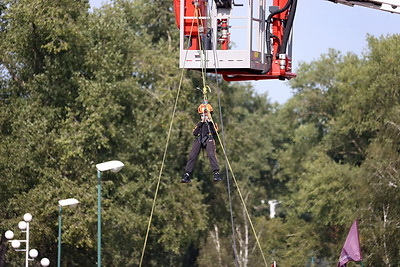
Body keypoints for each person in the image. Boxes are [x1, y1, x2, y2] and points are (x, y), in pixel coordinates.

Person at [181, 100, 222, 183]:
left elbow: (215, 132)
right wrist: (201, 122)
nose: (204, 116)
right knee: (193, 155)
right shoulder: (199, 124)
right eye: (202, 115)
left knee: (211, 154)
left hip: (209, 138)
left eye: (205, 115)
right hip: (199, 139)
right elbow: (195, 133)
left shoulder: (212, 124)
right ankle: (187, 174)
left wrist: (210, 122)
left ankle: (216, 173)